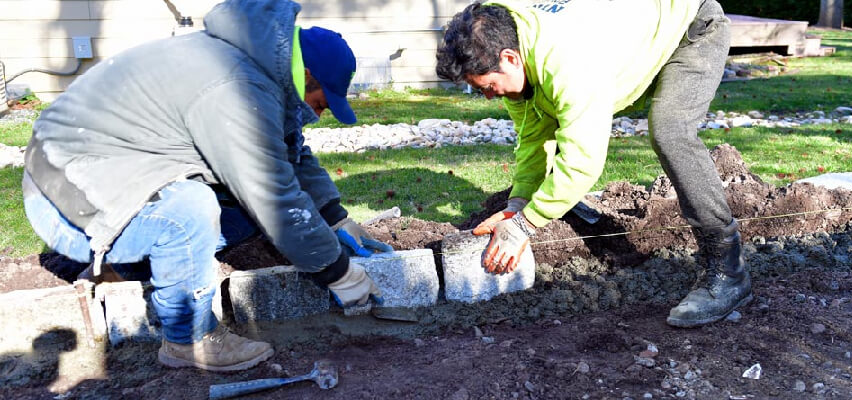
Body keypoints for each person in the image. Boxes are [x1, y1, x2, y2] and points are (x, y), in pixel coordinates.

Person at [22, 0, 391, 371]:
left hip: (102, 179)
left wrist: (336, 219)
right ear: (306, 75)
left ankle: (124, 271)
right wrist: (338, 273)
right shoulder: (234, 85)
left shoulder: (261, 72)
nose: (318, 114)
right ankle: (189, 339)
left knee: (240, 211)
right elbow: (274, 196)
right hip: (63, 197)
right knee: (192, 207)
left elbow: (289, 153)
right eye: (321, 103)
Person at [436, 0, 751, 327]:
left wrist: (524, 225)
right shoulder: (519, 59)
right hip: (643, 39)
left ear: (510, 58)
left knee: (671, 131)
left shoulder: (567, 58)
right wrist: (518, 204)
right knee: (665, 128)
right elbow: (533, 140)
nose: (489, 97)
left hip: (690, 29)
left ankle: (728, 272)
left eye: (487, 87)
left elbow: (582, 162)